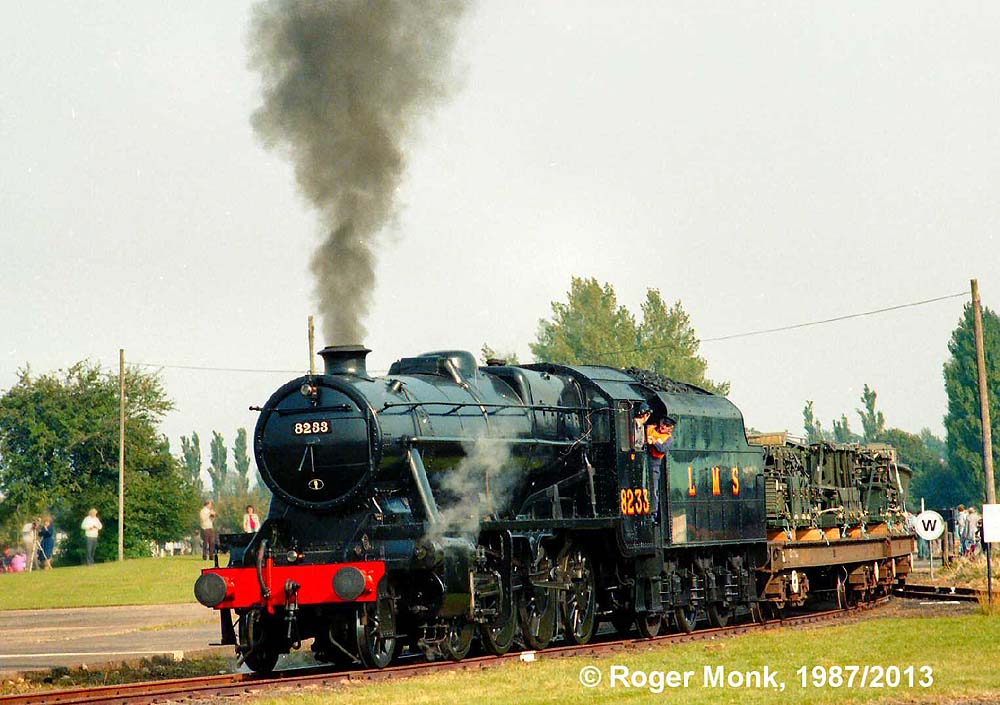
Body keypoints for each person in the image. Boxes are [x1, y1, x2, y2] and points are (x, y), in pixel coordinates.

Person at [646, 417, 675, 521]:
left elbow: (662, 449)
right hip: (645, 458)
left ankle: (653, 514)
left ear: (670, 428)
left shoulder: (669, 439)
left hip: (655, 462)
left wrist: (653, 441)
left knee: (653, 489)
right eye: (663, 424)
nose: (664, 427)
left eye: (667, 426)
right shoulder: (651, 428)